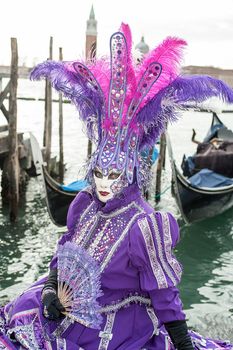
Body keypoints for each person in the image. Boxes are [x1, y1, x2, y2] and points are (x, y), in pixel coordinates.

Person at [1, 23, 233, 350]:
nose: (103, 183)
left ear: (130, 172)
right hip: (70, 310)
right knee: (24, 311)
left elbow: (164, 292)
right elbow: (64, 254)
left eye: (113, 176)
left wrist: (182, 342)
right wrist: (52, 289)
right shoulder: (85, 205)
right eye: (98, 173)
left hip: (116, 325)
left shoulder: (144, 225)